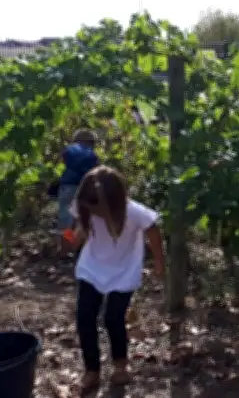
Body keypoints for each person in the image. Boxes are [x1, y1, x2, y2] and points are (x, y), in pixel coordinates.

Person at [62, 166, 166, 393]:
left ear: (114, 202)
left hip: (124, 271)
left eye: (98, 209)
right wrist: (67, 238)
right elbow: (74, 231)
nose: (94, 213)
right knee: (84, 317)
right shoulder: (85, 205)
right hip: (92, 267)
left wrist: (159, 263)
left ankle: (120, 365)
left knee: (113, 318)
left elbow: (153, 230)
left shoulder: (134, 212)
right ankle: (91, 370)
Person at [54, 129, 99, 243]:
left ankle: (66, 244)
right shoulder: (92, 154)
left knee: (65, 217)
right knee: (81, 218)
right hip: (84, 188)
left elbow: (59, 167)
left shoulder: (68, 150)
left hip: (67, 187)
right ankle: (78, 244)